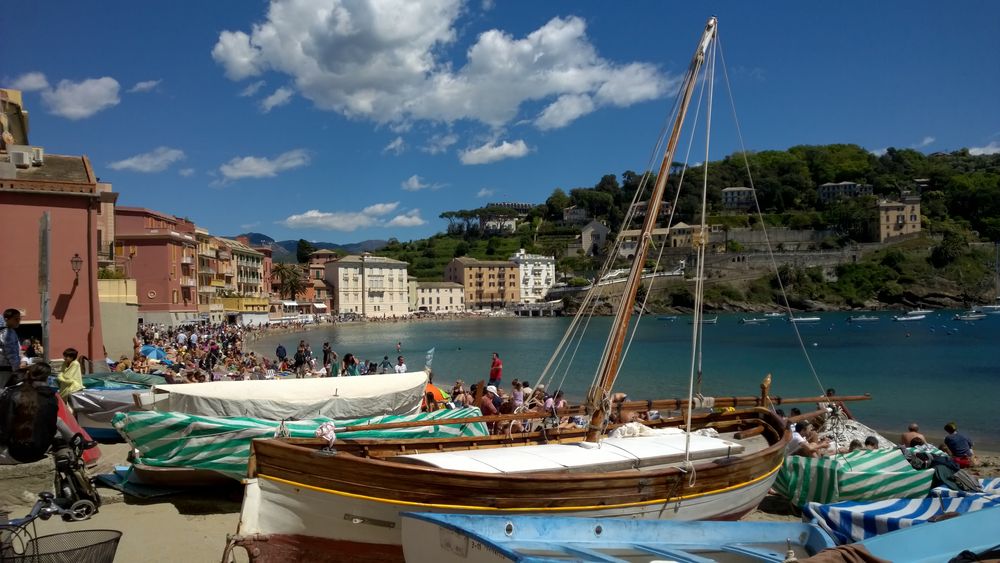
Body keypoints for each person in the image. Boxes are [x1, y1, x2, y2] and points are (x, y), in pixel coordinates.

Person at [0, 363, 76, 464]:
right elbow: (52, 428)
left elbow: (4, 431)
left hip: (17, 453)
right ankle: (74, 441)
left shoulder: (14, 396)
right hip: (40, 449)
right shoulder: (51, 397)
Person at [1, 308, 22, 388]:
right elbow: (11, 354)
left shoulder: (9, 331)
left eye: (19, 318)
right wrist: (17, 370)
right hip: (5, 369)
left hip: (6, 368)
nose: (18, 321)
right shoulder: (8, 333)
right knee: (4, 392)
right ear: (6, 319)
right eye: (16, 319)